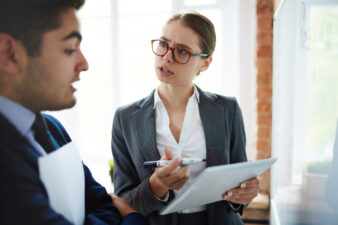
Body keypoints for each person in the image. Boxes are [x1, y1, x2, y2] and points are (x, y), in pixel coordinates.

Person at [0, 0, 148, 224]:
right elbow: (115, 211)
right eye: (69, 49)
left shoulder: (52, 128)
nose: (84, 63)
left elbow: (102, 202)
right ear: (9, 54)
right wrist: (133, 218)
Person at [111, 12, 260, 225]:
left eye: (182, 51)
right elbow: (124, 202)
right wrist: (157, 186)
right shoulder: (125, 119)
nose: (167, 57)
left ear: (205, 63)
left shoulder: (227, 110)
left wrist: (245, 192)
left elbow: (237, 186)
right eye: (163, 44)